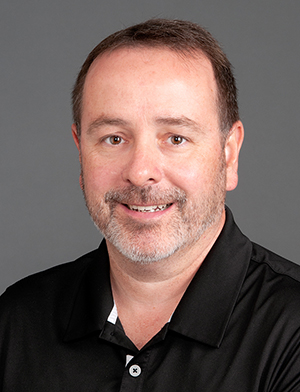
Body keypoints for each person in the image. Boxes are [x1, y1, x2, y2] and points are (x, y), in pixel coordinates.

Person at [1, 19, 300, 392]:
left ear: (229, 155)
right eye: (114, 138)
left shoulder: (292, 330)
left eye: (176, 137)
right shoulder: (15, 321)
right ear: (80, 150)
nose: (141, 173)